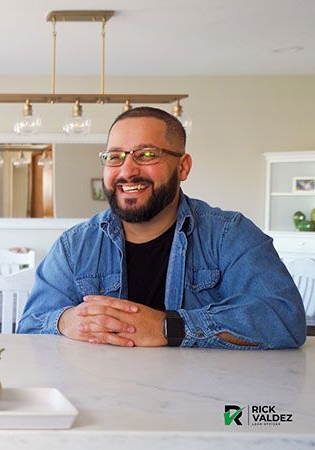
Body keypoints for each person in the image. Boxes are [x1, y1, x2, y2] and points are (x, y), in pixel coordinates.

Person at [18, 107, 306, 349]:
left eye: (146, 155)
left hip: (203, 400)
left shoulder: (229, 234)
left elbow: (284, 317)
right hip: (100, 398)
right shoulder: (75, 246)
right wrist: (65, 320)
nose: (127, 171)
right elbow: (30, 326)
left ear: (183, 167)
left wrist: (168, 326)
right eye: (114, 156)